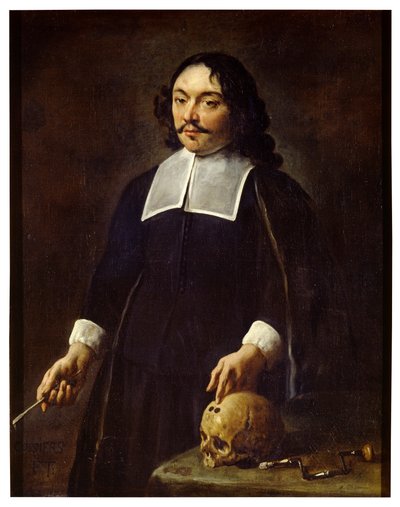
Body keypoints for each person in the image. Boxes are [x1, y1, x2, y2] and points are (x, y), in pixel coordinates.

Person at [36, 52, 354, 496]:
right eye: (181, 99)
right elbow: (112, 280)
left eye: (209, 102)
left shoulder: (270, 192)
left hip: (223, 386)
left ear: (239, 111)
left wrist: (254, 352)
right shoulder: (143, 189)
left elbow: (295, 288)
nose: (189, 114)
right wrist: (80, 353)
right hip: (136, 385)